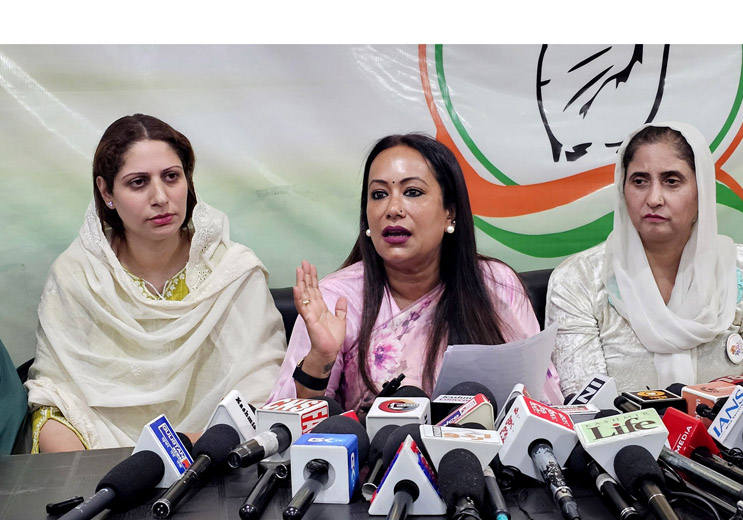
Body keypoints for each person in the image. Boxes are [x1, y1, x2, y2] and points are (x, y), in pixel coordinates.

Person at [25, 114, 286, 452]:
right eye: (138, 182)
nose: (160, 197)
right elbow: (54, 396)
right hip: (101, 452)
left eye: (171, 177)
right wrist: (95, 470)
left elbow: (261, 389)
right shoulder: (80, 274)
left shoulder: (232, 271)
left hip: (213, 455)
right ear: (106, 191)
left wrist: (188, 450)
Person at [269, 133, 561, 416]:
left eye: (412, 192)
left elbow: (544, 406)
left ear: (450, 212)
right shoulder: (336, 300)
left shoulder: (497, 284)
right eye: (379, 194)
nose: (393, 209)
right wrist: (321, 357)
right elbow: (287, 427)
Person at [546, 122, 743, 397]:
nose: (654, 199)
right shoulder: (578, 280)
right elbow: (588, 408)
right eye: (639, 181)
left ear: (702, 190)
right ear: (622, 189)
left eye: (671, 181)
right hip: (625, 427)